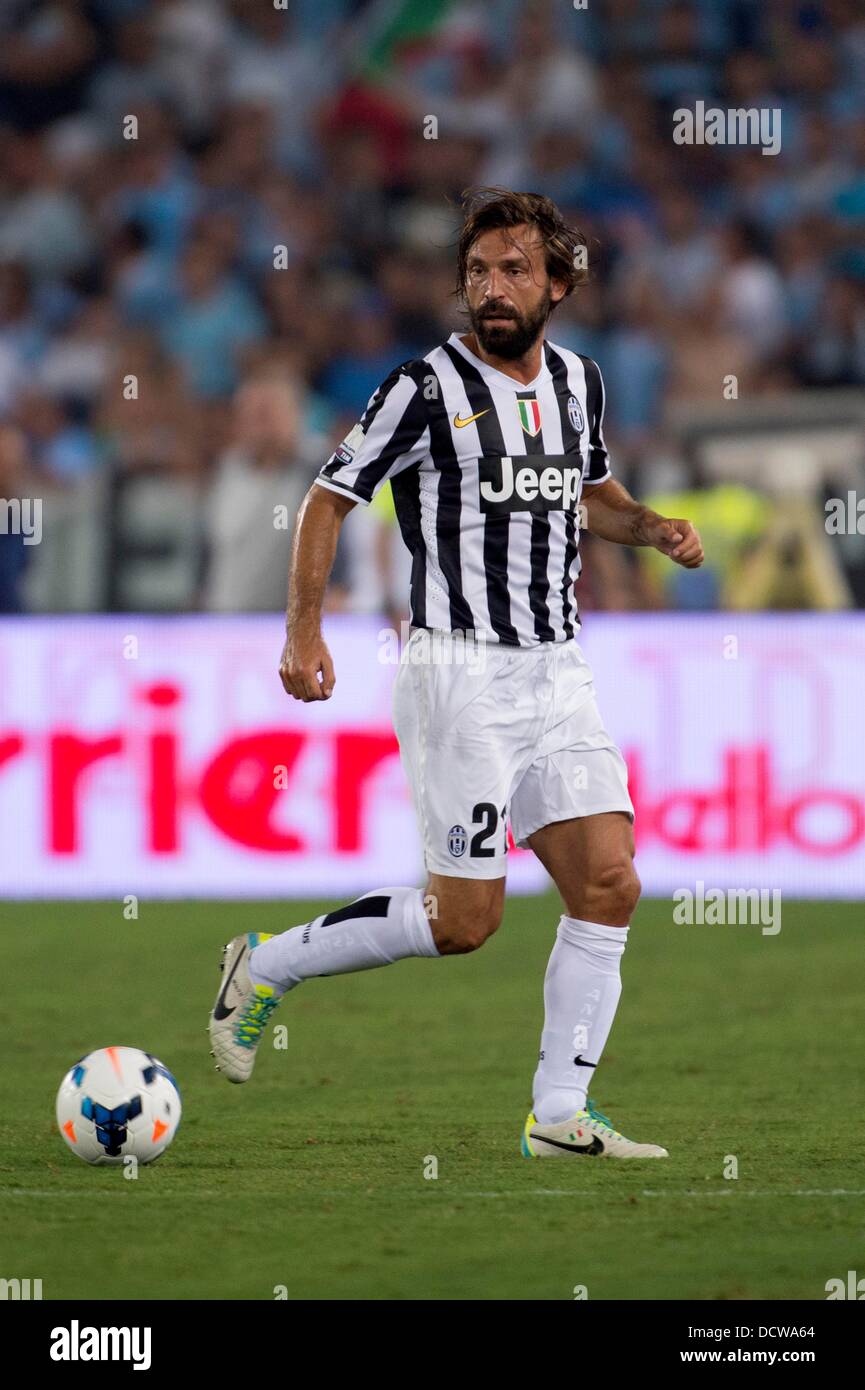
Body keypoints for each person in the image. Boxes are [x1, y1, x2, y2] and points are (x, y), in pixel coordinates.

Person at [209, 189, 704, 1159]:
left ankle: (558, 1115)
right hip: (460, 674)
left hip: (557, 669)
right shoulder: (422, 387)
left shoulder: (579, 383)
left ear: (558, 282)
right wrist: (303, 631)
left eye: (515, 268)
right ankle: (266, 964)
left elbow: (585, 488)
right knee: (463, 920)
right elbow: (327, 496)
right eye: (478, 270)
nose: (492, 287)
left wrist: (643, 524)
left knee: (608, 883)